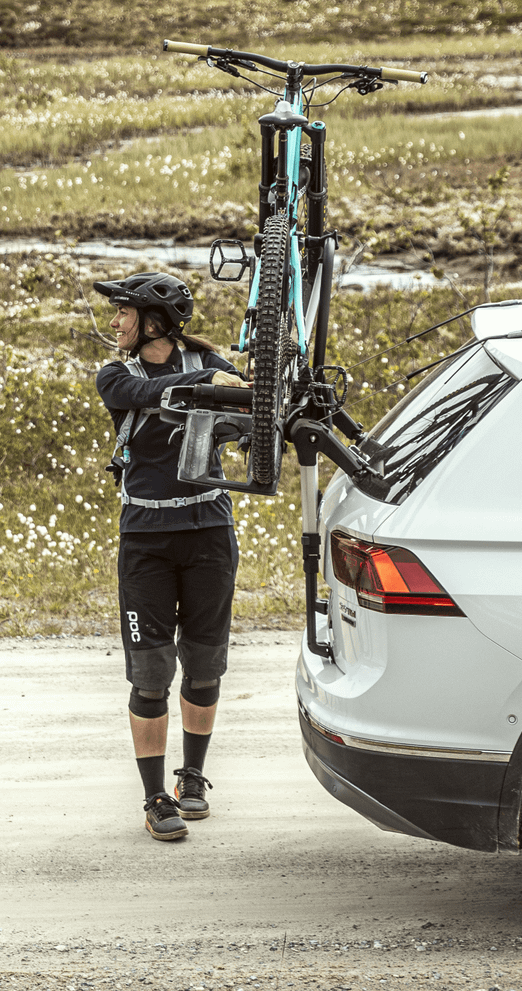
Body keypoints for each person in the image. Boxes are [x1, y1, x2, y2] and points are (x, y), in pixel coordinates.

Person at [94, 271, 250, 841]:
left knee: (206, 664)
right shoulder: (118, 374)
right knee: (152, 672)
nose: (114, 323)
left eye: (123, 313)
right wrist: (220, 377)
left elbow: (247, 413)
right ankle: (154, 796)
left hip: (208, 531)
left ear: (153, 321)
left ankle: (192, 779)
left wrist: (251, 383)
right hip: (146, 540)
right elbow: (148, 396)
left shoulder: (211, 369)